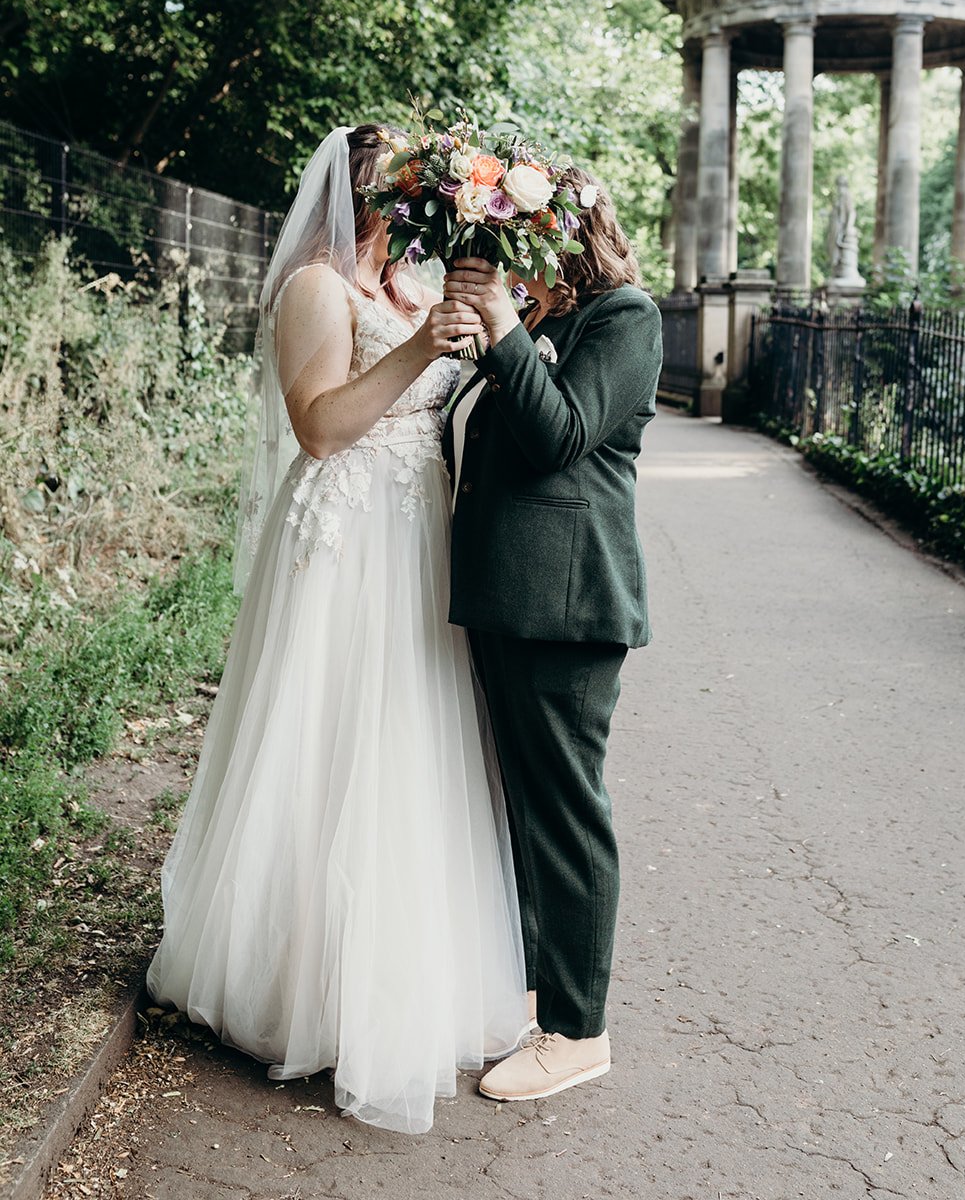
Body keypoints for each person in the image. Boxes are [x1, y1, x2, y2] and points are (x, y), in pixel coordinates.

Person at [146, 124, 528, 1136]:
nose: (412, 200)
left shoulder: (411, 279)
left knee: (410, 749)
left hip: (414, 536)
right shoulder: (317, 286)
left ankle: (405, 979)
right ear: (364, 189)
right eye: (399, 184)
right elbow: (318, 426)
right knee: (331, 742)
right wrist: (416, 347)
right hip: (346, 539)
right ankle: (296, 985)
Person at [442, 167, 662, 1103]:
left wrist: (499, 332)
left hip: (567, 607)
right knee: (520, 805)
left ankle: (579, 1033)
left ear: (567, 234)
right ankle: (540, 994)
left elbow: (558, 436)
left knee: (567, 813)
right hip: (505, 599)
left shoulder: (623, 318)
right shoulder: (537, 325)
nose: (504, 257)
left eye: (518, 237)